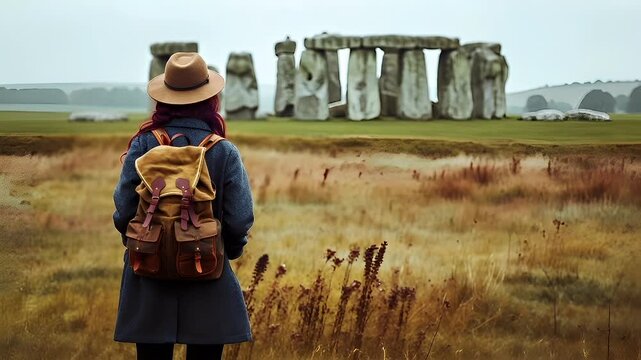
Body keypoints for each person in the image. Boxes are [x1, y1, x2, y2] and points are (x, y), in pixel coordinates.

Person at [112, 52, 254, 360]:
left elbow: (124, 210)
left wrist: (147, 242)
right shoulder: (224, 151)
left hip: (147, 271)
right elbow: (240, 218)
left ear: (164, 99)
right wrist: (222, 249)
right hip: (207, 268)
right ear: (210, 100)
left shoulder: (143, 145)